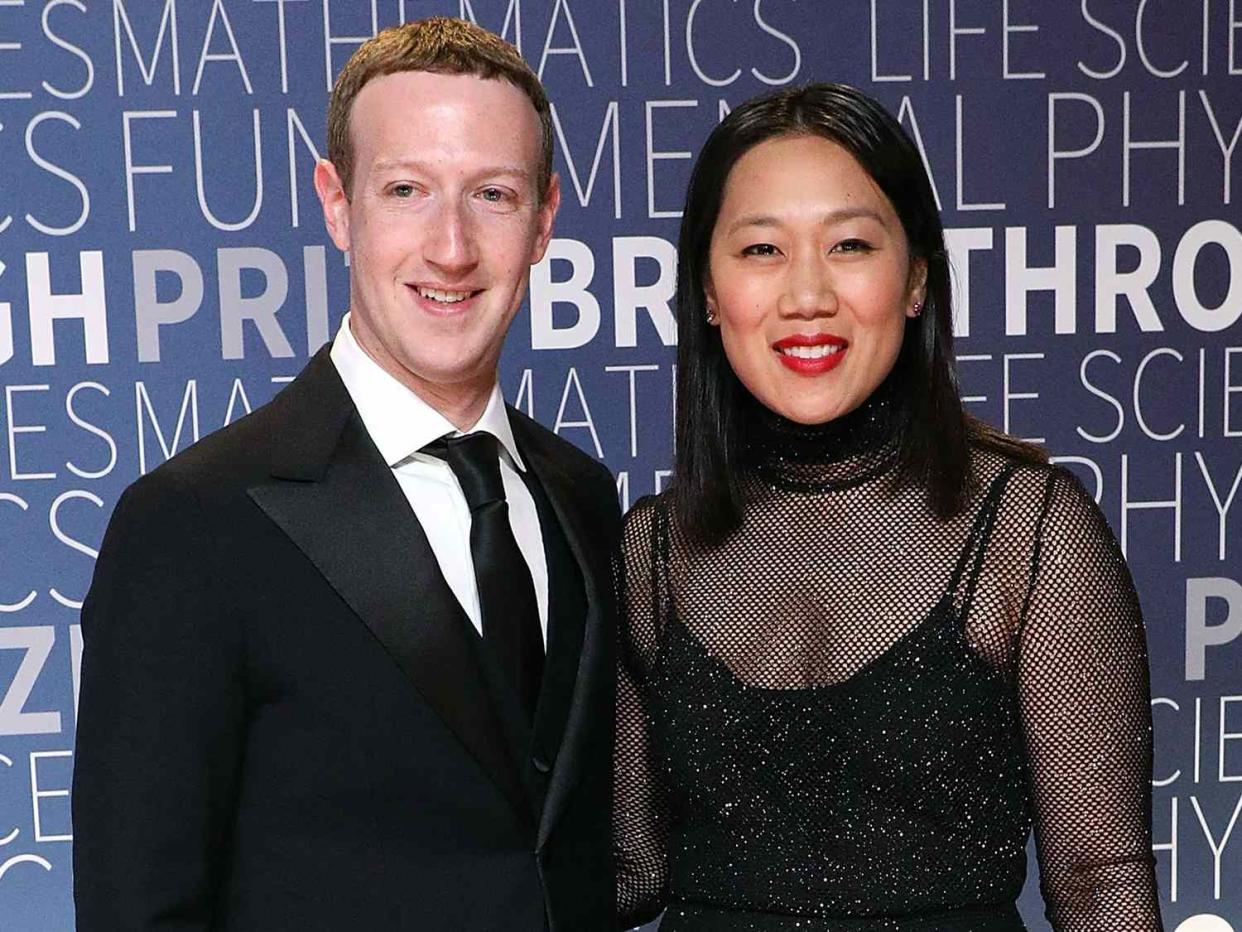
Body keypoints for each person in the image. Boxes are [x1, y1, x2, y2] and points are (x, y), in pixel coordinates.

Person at [72, 18, 620, 932]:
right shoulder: (191, 525)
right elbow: (140, 909)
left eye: (492, 194)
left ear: (544, 219)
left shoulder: (582, 497)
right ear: (337, 204)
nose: (451, 247)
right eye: (406, 189)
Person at [614, 83, 1163, 932]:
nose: (807, 295)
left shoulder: (1028, 531)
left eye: (850, 245)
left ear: (914, 280)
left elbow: (1100, 885)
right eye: (761, 249)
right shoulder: (649, 554)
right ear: (708, 292)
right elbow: (626, 875)